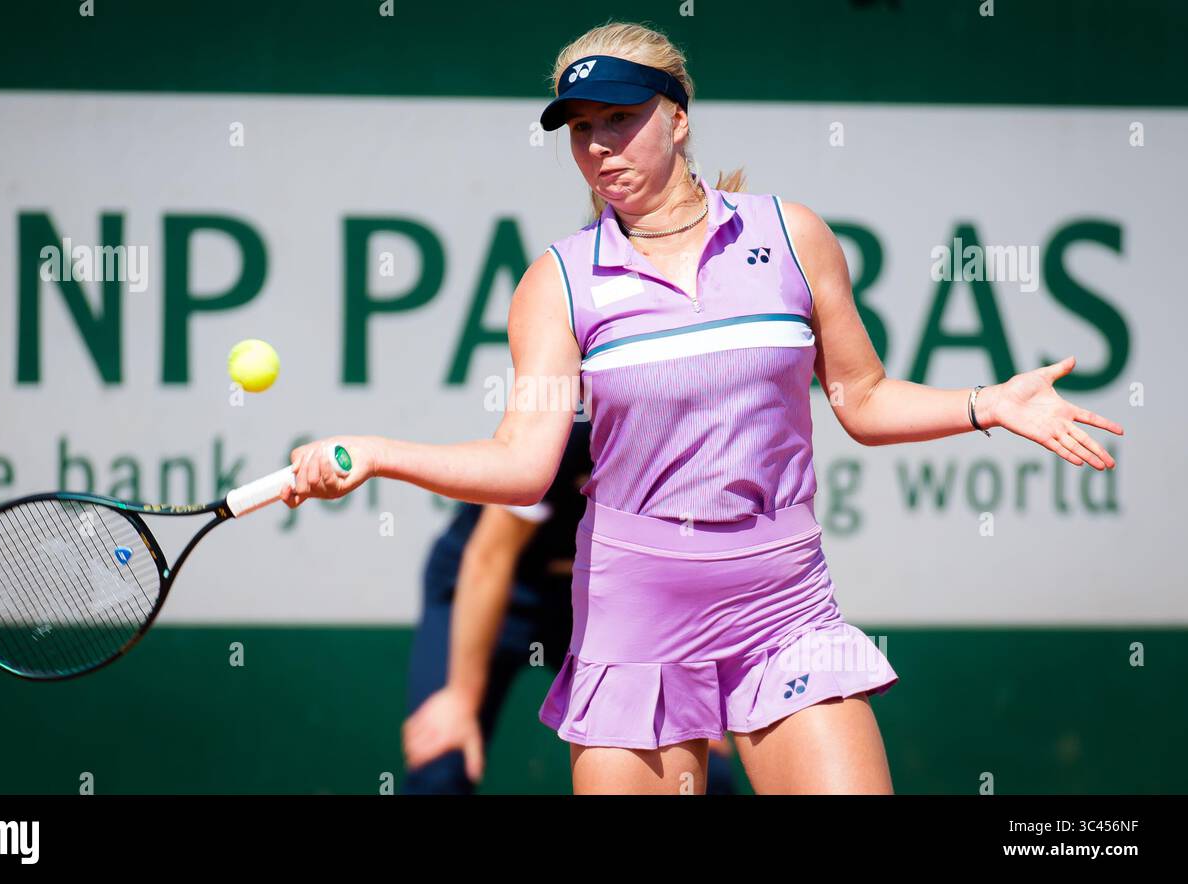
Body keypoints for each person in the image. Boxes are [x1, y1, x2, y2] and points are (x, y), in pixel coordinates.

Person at [280, 22, 1124, 794]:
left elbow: (861, 399)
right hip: (633, 616)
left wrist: (987, 403)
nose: (601, 147)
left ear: (678, 118)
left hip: (785, 603)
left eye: (620, 118)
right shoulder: (558, 282)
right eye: (582, 130)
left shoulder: (792, 236)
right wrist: (379, 453)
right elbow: (522, 463)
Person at [400, 417, 739, 794]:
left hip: (600, 601)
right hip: (489, 585)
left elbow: (684, 564)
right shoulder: (568, 428)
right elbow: (490, 558)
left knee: (710, 775)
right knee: (443, 761)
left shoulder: (692, 438)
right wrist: (461, 700)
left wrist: (690, 690)